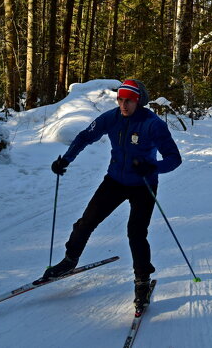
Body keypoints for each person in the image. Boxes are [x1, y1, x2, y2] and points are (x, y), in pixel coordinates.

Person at [44, 79, 182, 311]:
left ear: (138, 101)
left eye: (128, 100)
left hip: (143, 185)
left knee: (136, 234)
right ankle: (69, 260)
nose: (123, 105)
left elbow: (174, 159)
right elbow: (84, 136)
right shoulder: (112, 117)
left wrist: (152, 167)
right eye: (120, 99)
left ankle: (142, 282)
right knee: (86, 222)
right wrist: (65, 159)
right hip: (115, 181)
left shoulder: (152, 124)